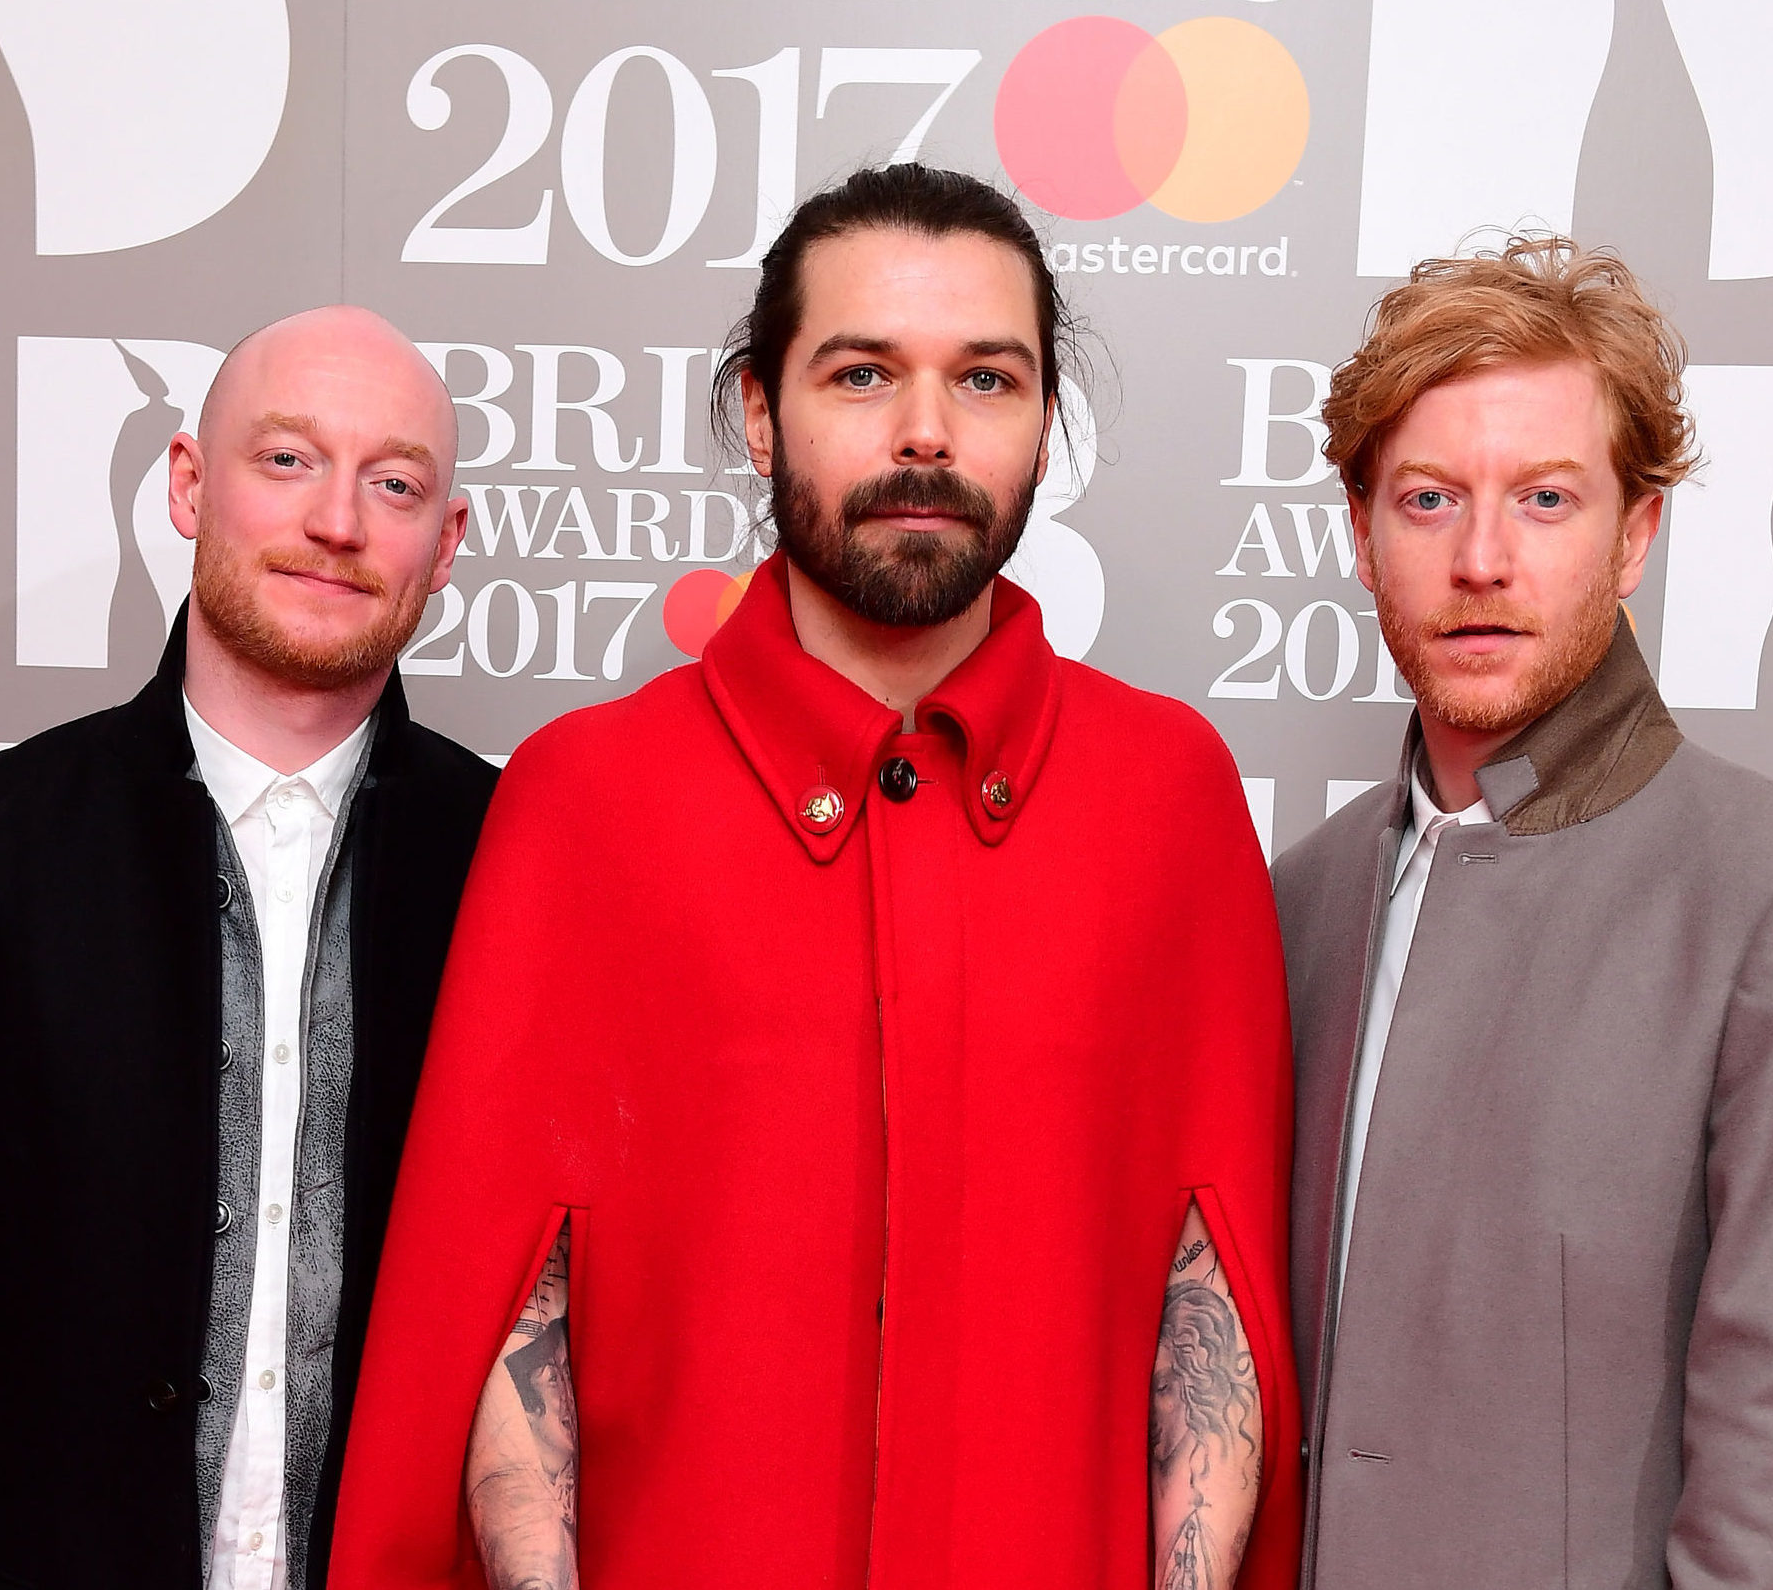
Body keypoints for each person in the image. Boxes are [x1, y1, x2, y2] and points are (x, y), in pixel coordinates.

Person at [329, 165, 1301, 1590]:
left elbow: (1210, 1301)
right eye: (861, 373)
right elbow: (501, 1304)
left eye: (985, 378)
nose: (924, 432)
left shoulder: (1171, 796)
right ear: (756, 408)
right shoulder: (584, 797)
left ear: (1043, 419)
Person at [0, 307, 498, 1590]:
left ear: (442, 545)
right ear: (186, 484)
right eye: (285, 459)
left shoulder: (522, 865)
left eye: (393, 483)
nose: (337, 520)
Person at [1274, 238, 1773, 1589]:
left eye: (1547, 497)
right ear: (1359, 532)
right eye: (1430, 497)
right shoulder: (1295, 900)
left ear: (1634, 535)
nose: (1482, 557)